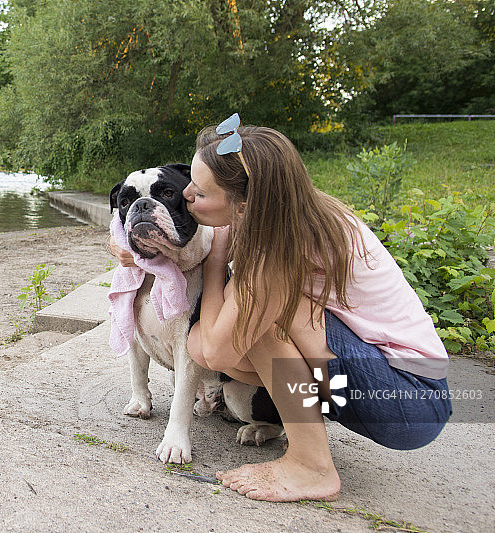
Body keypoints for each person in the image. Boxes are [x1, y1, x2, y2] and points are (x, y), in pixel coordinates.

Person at [108, 118, 452, 502]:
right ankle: (297, 425)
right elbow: (206, 348)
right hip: (389, 387)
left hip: (408, 403)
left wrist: (216, 261)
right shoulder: (283, 211)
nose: (187, 193)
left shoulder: (277, 248)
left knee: (254, 322)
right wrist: (133, 249)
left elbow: (215, 351)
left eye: (199, 192)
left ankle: (312, 466)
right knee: (224, 336)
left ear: (242, 206)